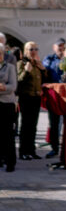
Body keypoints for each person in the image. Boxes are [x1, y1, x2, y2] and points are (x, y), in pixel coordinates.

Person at [16, 42, 45, 160]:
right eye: (31, 49)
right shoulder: (21, 63)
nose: (33, 51)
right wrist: (26, 71)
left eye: (35, 49)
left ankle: (31, 151)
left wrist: (43, 70)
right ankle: (23, 152)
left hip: (36, 98)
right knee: (25, 126)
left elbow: (44, 80)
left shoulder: (38, 64)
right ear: (25, 51)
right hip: (26, 97)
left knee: (33, 126)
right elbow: (19, 81)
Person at [42, 37, 66, 158]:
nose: (61, 48)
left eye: (63, 46)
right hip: (54, 95)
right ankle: (54, 148)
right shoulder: (49, 59)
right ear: (54, 47)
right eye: (59, 46)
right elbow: (45, 69)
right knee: (54, 123)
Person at [0, 43, 18, 172]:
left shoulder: (10, 67)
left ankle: (10, 162)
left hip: (7, 104)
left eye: (0, 53)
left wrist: (4, 87)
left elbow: (13, 87)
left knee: (8, 134)